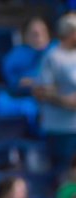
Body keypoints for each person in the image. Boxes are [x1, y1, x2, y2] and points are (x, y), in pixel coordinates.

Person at [34, 14, 76, 168]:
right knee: (63, 173)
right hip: (60, 129)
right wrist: (66, 101)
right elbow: (41, 92)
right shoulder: (52, 57)